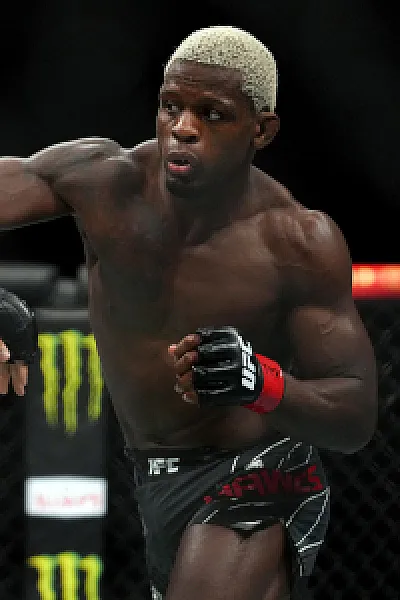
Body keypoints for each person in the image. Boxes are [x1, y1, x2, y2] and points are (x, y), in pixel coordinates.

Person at [0, 25, 377, 600]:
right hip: (152, 478)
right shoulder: (103, 182)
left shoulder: (297, 242)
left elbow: (354, 415)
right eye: (171, 106)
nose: (183, 127)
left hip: (259, 474)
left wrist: (263, 383)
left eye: (212, 114)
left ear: (261, 130)